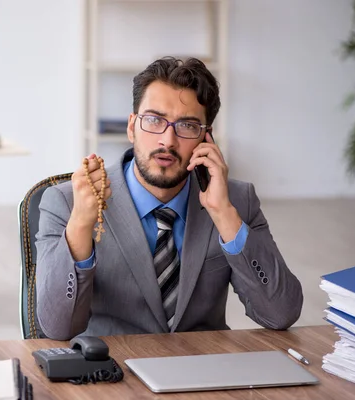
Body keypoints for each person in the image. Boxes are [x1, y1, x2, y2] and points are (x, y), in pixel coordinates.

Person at [35, 57, 303, 340]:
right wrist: (79, 225)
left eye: (187, 126)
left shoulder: (237, 200)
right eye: (153, 120)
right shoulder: (66, 202)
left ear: (206, 139)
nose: (167, 140)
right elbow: (57, 328)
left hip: (201, 372)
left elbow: (280, 313)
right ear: (131, 127)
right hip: (111, 372)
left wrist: (224, 214)